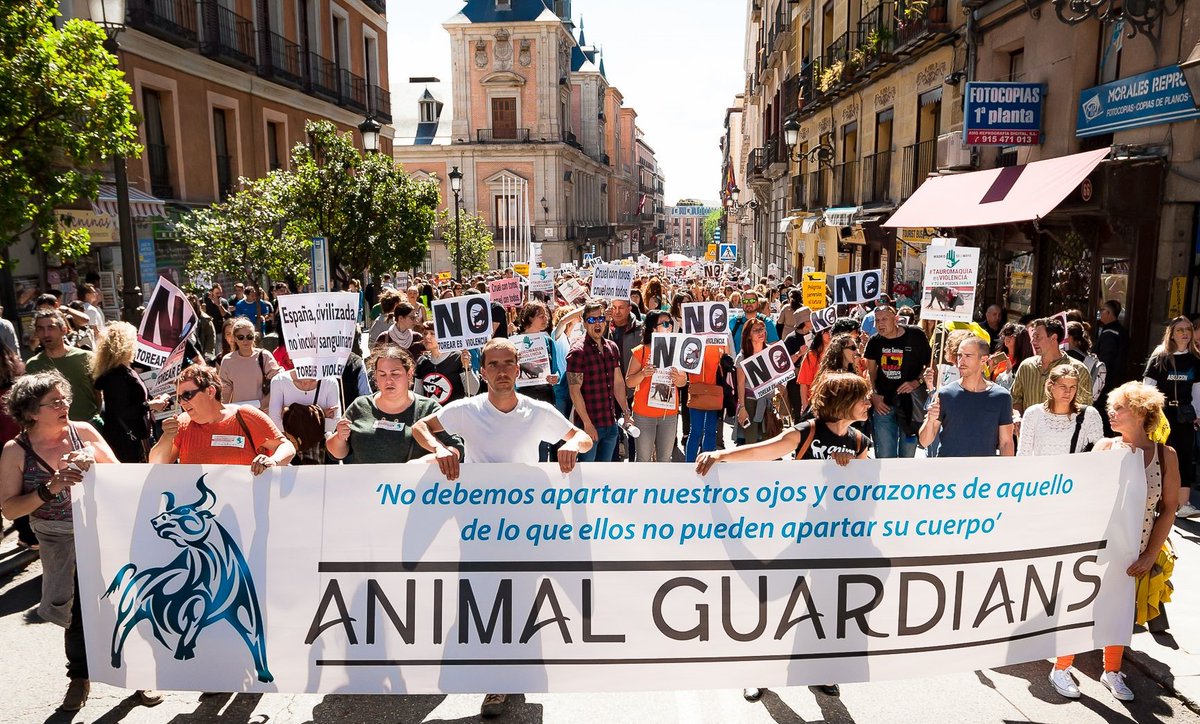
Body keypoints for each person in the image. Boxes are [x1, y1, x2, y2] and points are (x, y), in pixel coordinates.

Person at [411, 338, 593, 719]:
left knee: (523, 595)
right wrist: (439, 449)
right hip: (478, 523)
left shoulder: (537, 410)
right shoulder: (466, 409)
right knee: (485, 596)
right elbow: (420, 428)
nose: (502, 371)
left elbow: (583, 436)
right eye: (493, 364)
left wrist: (573, 445)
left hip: (526, 523)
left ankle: (514, 674)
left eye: (508, 363)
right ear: (482, 371)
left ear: (518, 366)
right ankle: (494, 677)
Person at [696, 371, 871, 702]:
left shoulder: (861, 443)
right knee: (774, 603)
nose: (868, 403)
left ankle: (820, 671)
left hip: (833, 539)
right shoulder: (807, 432)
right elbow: (764, 451)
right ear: (844, 401)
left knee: (825, 607)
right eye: (862, 397)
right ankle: (758, 673)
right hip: (793, 534)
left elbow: (866, 493)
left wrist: (851, 472)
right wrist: (721, 455)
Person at [0, 371, 161, 710]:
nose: (64, 406)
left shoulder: (83, 431)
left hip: (103, 530)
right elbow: (11, 509)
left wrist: (94, 463)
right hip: (57, 538)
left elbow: (118, 473)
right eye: (54, 402)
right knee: (75, 611)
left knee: (122, 602)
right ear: (30, 411)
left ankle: (138, 678)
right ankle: (79, 678)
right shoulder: (15, 451)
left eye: (65, 399)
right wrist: (50, 488)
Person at [1049, 381, 1179, 702]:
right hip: (1095, 547)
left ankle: (1112, 671)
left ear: (1140, 412)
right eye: (1112, 406)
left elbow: (1168, 509)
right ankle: (1061, 668)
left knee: (1120, 612)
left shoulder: (1166, 455)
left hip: (1134, 551)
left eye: (1119, 407)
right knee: (1081, 607)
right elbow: (1084, 497)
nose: (1112, 411)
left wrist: (1150, 554)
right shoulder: (1105, 447)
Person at [327, 344, 462, 464]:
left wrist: (424, 462)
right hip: (365, 489)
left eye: (395, 374)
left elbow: (456, 449)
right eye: (382, 375)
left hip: (412, 490)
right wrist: (339, 437)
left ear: (409, 374)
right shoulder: (360, 406)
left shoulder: (428, 408)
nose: (388, 381)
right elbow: (337, 454)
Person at [149, 365, 295, 471]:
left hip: (244, 506)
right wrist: (167, 437)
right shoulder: (182, 422)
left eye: (187, 395)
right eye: (179, 398)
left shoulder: (245, 415)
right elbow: (156, 464)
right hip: (198, 511)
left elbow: (286, 446)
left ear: (210, 391)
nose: (182, 403)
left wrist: (272, 461)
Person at [918, 336, 1015, 457]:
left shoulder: (1001, 397)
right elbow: (924, 441)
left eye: (968, 356)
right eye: (959, 355)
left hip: (983, 472)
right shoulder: (944, 394)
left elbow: (1006, 443)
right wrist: (930, 421)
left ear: (983, 360)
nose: (961, 361)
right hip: (948, 471)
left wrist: (1005, 474)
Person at [1142, 316, 1200, 517]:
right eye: (1180, 330)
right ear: (1172, 334)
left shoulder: (1195, 358)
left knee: (1184, 457)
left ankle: (1183, 504)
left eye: (1188, 329)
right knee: (1160, 456)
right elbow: (1147, 386)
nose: (1185, 333)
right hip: (1162, 413)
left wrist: (1198, 414)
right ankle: (1155, 500)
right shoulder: (1161, 356)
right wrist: (1148, 413)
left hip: (1184, 415)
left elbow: (1197, 390)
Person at [92, 322, 170, 463]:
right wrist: (151, 405)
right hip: (126, 440)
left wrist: (152, 401)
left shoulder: (122, 370)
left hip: (132, 436)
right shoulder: (117, 375)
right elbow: (122, 410)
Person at [567, 298, 631, 462]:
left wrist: (625, 411)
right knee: (587, 473)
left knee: (604, 474)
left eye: (601, 318)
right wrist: (587, 424)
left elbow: (618, 383)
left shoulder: (611, 347)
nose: (597, 324)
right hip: (589, 425)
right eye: (592, 319)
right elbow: (574, 391)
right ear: (584, 323)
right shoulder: (577, 352)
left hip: (610, 423)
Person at [864, 305, 931, 458]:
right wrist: (874, 395)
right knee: (885, 456)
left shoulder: (915, 335)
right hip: (884, 405)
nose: (880, 323)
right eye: (877, 320)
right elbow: (870, 372)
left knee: (907, 456)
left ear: (896, 319)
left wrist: (916, 382)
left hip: (911, 406)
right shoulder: (874, 341)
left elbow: (930, 364)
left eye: (884, 319)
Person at [625, 310, 688, 462]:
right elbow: (629, 381)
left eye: (670, 323)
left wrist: (677, 377)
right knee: (643, 458)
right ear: (654, 328)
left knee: (665, 459)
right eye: (665, 324)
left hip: (669, 414)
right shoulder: (641, 351)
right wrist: (642, 374)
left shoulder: (677, 350)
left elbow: (683, 382)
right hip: (644, 414)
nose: (669, 327)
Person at [1010, 318, 1092, 430]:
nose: (1032, 342)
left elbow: (1084, 409)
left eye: (1037, 337)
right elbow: (1016, 398)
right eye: (1032, 337)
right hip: (1028, 438)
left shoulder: (1078, 370)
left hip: (1061, 440)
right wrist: (1017, 417)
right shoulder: (1026, 366)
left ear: (1053, 338)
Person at [26, 310, 100, 424]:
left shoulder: (86, 357)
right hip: (51, 429)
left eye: (51, 328)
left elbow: (98, 392)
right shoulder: (33, 365)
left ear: (63, 330)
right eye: (40, 329)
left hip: (88, 423)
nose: (46, 334)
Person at [1016, 365, 1105, 456]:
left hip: (1076, 469)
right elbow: (1023, 454)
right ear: (1051, 386)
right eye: (1063, 387)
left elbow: (1100, 454)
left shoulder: (1089, 415)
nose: (1068, 392)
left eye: (1072, 387)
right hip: (1041, 469)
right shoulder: (1033, 413)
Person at [268, 368, 341, 465]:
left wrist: (289, 414)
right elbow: (276, 425)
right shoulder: (279, 381)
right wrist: (321, 414)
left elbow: (331, 425)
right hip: (289, 452)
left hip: (323, 453)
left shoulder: (330, 381)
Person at [219, 317, 281, 409]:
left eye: (249, 337)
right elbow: (225, 391)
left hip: (263, 412)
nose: (245, 341)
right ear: (234, 338)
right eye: (241, 337)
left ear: (254, 337)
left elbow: (278, 381)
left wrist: (264, 403)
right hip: (238, 413)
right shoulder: (227, 360)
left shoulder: (264, 356)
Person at [414, 321, 479, 406]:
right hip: (432, 416)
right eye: (425, 333)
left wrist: (467, 367)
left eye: (432, 334)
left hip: (455, 413)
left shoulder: (457, 357)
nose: (427, 337)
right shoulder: (422, 361)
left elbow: (473, 390)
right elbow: (418, 395)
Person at [735, 317, 773, 444]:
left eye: (762, 329)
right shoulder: (742, 357)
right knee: (751, 443)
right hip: (750, 402)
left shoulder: (770, 352)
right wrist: (742, 407)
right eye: (756, 330)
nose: (760, 332)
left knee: (768, 442)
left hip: (767, 402)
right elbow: (740, 384)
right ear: (748, 336)